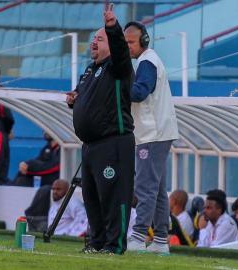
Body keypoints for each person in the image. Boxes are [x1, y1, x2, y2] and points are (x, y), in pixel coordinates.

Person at [66, 3, 135, 255]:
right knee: (92, 198)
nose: (93, 43)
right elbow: (87, 101)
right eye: (93, 39)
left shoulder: (118, 67)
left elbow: (120, 50)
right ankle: (96, 243)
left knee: (113, 196)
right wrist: (74, 99)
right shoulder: (89, 70)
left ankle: (114, 246)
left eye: (99, 39)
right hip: (90, 146)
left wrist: (112, 27)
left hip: (113, 143)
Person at [124, 21, 179, 254]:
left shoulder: (147, 62)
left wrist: (118, 86)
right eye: (124, 42)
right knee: (156, 190)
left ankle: (137, 237)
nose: (128, 47)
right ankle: (160, 240)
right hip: (158, 132)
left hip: (152, 133)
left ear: (143, 41)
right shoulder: (150, 60)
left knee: (145, 187)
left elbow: (139, 92)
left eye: (131, 42)